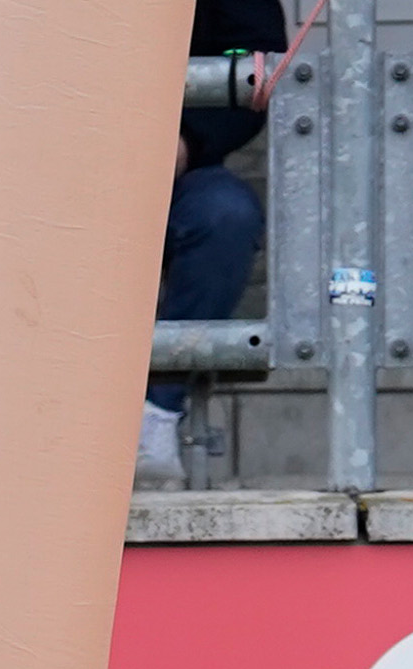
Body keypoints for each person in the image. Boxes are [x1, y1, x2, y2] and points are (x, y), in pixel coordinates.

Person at [147, 1, 283, 487]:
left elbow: (256, 58)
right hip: (34, 170)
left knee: (226, 215)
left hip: (176, 166)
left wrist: (186, 139)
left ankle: (154, 419)